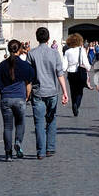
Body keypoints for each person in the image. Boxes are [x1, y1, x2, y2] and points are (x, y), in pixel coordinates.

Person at [0, 38, 35, 160]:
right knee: (20, 123)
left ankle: (8, 154)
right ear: (19, 49)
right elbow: (28, 84)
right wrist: (27, 96)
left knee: (7, 126)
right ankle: (18, 142)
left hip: (5, 99)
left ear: (8, 50)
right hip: (19, 98)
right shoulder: (25, 65)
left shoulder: (2, 65)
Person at [27, 27, 69, 158]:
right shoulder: (55, 53)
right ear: (48, 38)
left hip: (38, 91)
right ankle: (50, 148)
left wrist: (27, 94)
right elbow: (60, 74)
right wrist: (65, 92)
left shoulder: (31, 54)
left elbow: (28, 77)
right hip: (52, 92)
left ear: (37, 38)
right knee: (51, 119)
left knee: (39, 122)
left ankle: (40, 152)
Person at [63, 33, 90, 115]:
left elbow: (64, 66)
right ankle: (76, 105)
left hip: (71, 73)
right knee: (80, 91)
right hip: (80, 72)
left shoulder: (67, 51)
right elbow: (85, 62)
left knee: (72, 90)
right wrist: (88, 68)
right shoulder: (82, 50)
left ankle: (73, 103)